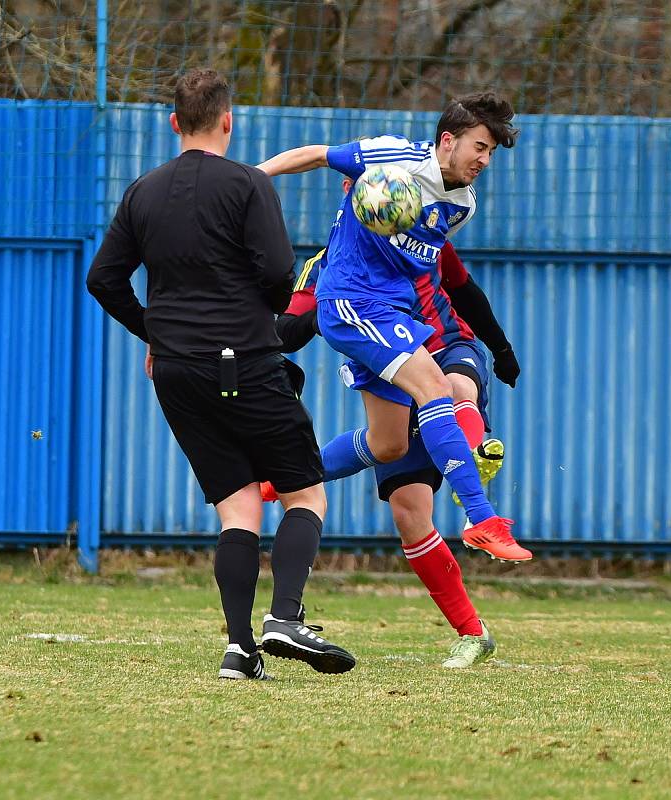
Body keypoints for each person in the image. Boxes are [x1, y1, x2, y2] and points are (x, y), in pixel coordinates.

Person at [87, 68, 355, 681]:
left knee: (237, 509)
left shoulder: (142, 192)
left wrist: (156, 332)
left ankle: (240, 649)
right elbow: (278, 271)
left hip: (176, 372)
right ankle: (285, 617)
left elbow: (103, 279)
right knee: (305, 492)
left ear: (175, 122)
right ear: (228, 121)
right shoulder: (247, 184)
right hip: (245, 362)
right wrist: (259, 316)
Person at [258, 94, 532, 562]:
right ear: (448, 141)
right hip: (350, 301)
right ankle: (482, 519)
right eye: (480, 147)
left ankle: (284, 476)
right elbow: (317, 154)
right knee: (436, 390)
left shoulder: (462, 204)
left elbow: (443, 277)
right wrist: (250, 178)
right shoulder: (393, 155)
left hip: (392, 313)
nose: (485, 160)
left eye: (491, 152)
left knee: (388, 445)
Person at [272, 217, 519, 666]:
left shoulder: (423, 239)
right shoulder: (323, 267)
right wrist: (331, 305)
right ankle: (473, 633)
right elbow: (284, 332)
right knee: (407, 507)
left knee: (453, 387)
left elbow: (466, 293)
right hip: (391, 378)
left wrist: (501, 350)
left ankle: (474, 475)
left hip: (447, 349)